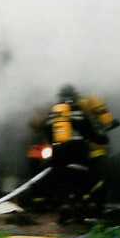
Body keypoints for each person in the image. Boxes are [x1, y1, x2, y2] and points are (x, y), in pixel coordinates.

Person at [44, 84, 109, 223]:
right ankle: (82, 207)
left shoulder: (52, 115)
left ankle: (65, 205)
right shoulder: (80, 113)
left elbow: (48, 134)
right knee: (84, 178)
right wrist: (102, 138)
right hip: (77, 150)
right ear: (75, 97)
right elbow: (92, 134)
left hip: (58, 152)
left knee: (61, 181)